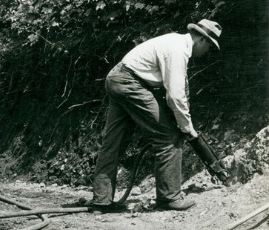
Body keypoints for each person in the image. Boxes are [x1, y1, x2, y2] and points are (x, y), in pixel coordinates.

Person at [91, 19, 222, 212]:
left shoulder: (174, 42)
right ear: (201, 40)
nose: (207, 52)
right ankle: (169, 198)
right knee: (169, 137)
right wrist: (187, 128)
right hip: (130, 82)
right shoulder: (177, 50)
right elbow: (175, 96)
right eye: (209, 46)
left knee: (113, 143)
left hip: (117, 78)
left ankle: (101, 201)